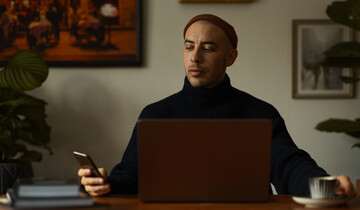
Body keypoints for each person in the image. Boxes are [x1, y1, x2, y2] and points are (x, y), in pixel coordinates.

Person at [78, 14, 357, 198]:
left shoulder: (260, 114)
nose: (195, 57)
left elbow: (290, 165)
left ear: (230, 57)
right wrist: (104, 184)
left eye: (208, 48)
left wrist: (324, 184)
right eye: (189, 47)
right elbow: (129, 177)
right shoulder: (155, 114)